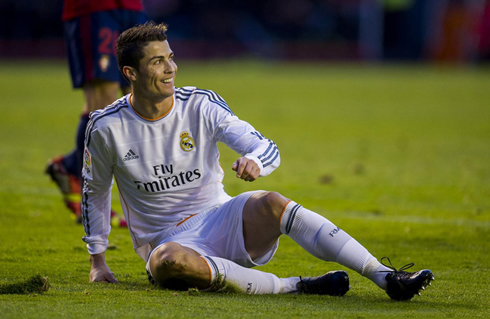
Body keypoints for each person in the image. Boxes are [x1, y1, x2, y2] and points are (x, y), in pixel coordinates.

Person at [83, 21, 434, 300]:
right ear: (130, 73)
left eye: (171, 57)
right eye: (157, 61)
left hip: (223, 219)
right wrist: (97, 262)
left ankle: (386, 277)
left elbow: (265, 146)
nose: (170, 68)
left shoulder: (200, 104)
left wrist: (255, 161)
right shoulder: (106, 127)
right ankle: (294, 286)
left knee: (271, 202)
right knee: (168, 262)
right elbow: (94, 191)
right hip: (168, 243)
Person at [45, 0, 147, 226]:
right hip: (95, 7)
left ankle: (71, 165)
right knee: (104, 100)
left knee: (140, 95)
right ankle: (91, 202)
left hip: (132, 7)